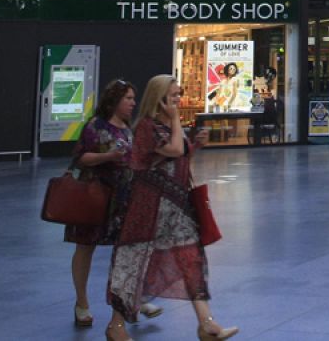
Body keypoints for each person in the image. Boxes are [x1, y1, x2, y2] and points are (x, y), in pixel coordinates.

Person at [107, 75, 237, 341]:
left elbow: (180, 158)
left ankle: (207, 323)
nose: (178, 99)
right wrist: (177, 120)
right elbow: (176, 149)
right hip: (148, 208)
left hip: (176, 208)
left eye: (179, 94)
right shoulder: (146, 127)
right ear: (160, 98)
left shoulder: (166, 126)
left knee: (191, 260)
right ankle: (116, 326)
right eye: (173, 95)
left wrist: (196, 144)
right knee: (133, 264)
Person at [67, 80, 163, 329]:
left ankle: (133, 299)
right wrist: (108, 156)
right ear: (114, 101)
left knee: (128, 250)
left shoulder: (128, 129)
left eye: (133, 98)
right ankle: (82, 303)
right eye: (128, 98)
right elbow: (80, 158)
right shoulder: (95, 127)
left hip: (123, 199)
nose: (133, 103)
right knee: (85, 248)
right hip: (95, 197)